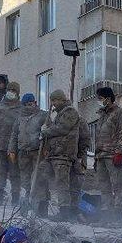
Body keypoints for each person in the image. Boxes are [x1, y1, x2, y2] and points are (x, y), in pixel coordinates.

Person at [37, 90, 80, 218]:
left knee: (62, 184)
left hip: (63, 155)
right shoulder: (59, 114)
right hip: (53, 155)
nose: (53, 103)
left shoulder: (70, 112)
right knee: (40, 174)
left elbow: (62, 128)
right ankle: (41, 205)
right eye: (52, 101)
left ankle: (64, 212)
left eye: (55, 100)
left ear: (62, 99)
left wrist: (46, 131)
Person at [93, 87, 122, 221]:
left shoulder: (120, 114)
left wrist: (119, 152)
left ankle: (118, 215)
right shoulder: (102, 116)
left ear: (108, 99)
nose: (98, 101)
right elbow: (98, 137)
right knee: (104, 186)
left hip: (112, 155)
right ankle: (106, 214)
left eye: (100, 98)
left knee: (118, 185)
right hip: (100, 157)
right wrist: (95, 157)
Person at [9, 93, 47, 204]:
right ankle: (28, 199)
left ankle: (41, 204)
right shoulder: (20, 118)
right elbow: (14, 134)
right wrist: (12, 150)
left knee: (38, 178)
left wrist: (46, 147)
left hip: (37, 152)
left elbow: (50, 133)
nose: (28, 106)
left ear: (35, 103)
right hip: (23, 152)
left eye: (30, 103)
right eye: (25, 104)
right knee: (25, 178)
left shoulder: (43, 115)